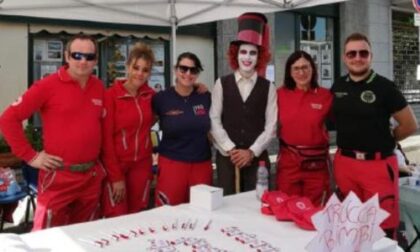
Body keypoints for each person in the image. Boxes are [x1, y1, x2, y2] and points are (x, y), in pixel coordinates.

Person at [0, 34, 106, 230]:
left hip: (90, 178)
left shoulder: (99, 87)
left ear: (96, 60)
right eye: (77, 55)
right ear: (66, 56)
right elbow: (8, 119)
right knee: (47, 238)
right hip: (58, 177)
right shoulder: (48, 85)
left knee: (85, 236)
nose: (83, 61)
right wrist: (30, 156)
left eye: (89, 57)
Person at [331, 32, 418, 239]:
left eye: (363, 53)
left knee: (382, 229)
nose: (357, 58)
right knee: (350, 226)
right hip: (345, 164)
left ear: (371, 56)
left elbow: (409, 124)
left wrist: (385, 139)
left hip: (377, 166)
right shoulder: (338, 86)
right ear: (345, 58)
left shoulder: (385, 87)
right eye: (352, 54)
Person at [210, 12, 277, 195]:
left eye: (253, 53)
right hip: (227, 160)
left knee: (257, 207)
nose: (247, 57)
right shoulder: (221, 83)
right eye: (243, 52)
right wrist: (231, 149)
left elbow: (271, 126)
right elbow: (214, 119)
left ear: (259, 57)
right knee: (228, 208)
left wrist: (251, 152)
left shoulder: (268, 87)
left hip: (257, 161)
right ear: (236, 55)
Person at [101, 43, 155, 217]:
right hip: (118, 164)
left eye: (145, 70)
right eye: (136, 67)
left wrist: (197, 87)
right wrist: (116, 177)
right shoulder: (111, 96)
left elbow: (174, 99)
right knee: (116, 217)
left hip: (142, 164)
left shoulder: (151, 96)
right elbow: (106, 140)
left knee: (138, 214)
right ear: (127, 67)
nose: (140, 73)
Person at [152, 52, 212, 206]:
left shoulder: (205, 97)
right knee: (168, 215)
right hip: (172, 165)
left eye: (193, 70)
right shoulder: (161, 99)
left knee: (202, 214)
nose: (188, 73)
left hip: (201, 165)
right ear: (175, 70)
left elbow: (215, 127)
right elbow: (144, 124)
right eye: (183, 69)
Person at [276, 50, 332, 206]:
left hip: (316, 163)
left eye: (305, 67)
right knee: (287, 208)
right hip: (289, 161)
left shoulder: (326, 96)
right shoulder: (279, 94)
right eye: (296, 68)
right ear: (289, 72)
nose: (301, 72)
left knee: (316, 211)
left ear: (313, 69)